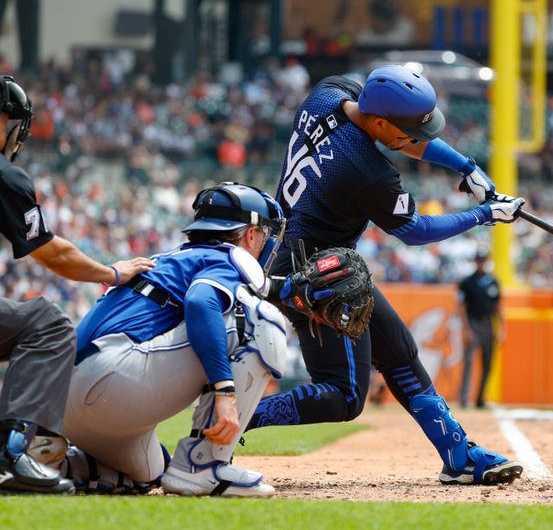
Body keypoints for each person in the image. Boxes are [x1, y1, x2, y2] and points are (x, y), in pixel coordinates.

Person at [248, 65, 526, 485]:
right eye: (411, 131)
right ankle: (237, 415)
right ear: (380, 122)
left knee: (399, 351)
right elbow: (415, 231)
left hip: (321, 262)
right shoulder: (366, 171)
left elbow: (405, 140)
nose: (419, 139)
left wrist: (465, 166)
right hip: (314, 278)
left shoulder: (329, 92)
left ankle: (458, 455)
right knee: (343, 395)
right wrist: (484, 214)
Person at [44, 183, 289, 497]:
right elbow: (201, 302)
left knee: (151, 472)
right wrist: (224, 390)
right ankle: (205, 466)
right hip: (109, 382)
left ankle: (54, 467)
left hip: (66, 405)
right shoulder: (228, 256)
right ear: (251, 234)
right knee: (263, 321)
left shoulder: (173, 259)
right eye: (265, 235)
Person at [0, 75, 155, 494]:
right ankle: (11, 455)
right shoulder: (5, 176)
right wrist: (113, 272)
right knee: (46, 323)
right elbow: (50, 252)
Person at [458, 250, 504, 409]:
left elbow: (498, 307)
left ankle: (480, 399)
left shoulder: (493, 281)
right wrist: (466, 328)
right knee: (469, 362)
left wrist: (501, 329)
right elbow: (461, 307)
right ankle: (464, 399)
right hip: (473, 323)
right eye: (479, 260)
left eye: (483, 260)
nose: (481, 263)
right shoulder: (467, 282)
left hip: (488, 324)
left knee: (487, 363)